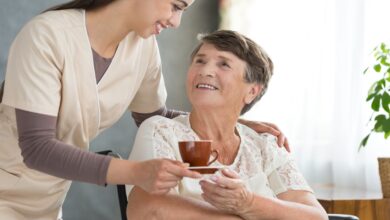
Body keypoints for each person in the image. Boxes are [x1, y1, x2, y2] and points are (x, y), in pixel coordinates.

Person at [0, 0, 289, 219]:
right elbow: (36, 147)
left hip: (47, 202)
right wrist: (136, 172)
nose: (176, 21)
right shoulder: (47, 35)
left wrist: (232, 124)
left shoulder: (143, 47)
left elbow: (153, 117)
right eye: (176, 6)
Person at [126, 30, 328, 219]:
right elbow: (148, 208)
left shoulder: (265, 145)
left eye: (223, 64)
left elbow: (316, 216)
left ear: (252, 92)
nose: (205, 70)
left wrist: (248, 203)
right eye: (200, 61)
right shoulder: (163, 132)